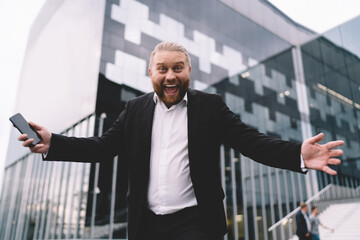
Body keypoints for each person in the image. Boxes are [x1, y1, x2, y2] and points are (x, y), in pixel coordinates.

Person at [18, 41, 344, 240]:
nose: (170, 75)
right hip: (146, 224)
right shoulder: (134, 110)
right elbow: (102, 147)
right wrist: (54, 143)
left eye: (178, 68)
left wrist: (297, 155)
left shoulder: (210, 107)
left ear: (189, 71)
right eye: (162, 69)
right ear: (151, 74)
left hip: (195, 222)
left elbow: (251, 142)